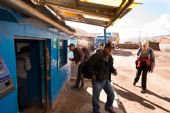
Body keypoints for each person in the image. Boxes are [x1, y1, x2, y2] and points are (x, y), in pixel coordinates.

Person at [88, 42, 117, 113]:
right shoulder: (97, 55)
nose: (110, 51)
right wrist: (92, 74)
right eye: (109, 49)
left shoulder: (110, 57)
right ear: (105, 48)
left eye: (111, 49)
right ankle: (96, 111)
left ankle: (108, 107)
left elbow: (110, 67)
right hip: (97, 80)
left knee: (111, 95)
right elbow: (89, 64)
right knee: (96, 98)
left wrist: (113, 70)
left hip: (106, 79)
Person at [16, 46, 32, 111]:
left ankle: (18, 106)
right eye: (29, 52)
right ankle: (22, 107)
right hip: (22, 77)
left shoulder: (16, 56)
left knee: (17, 93)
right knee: (23, 92)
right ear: (26, 52)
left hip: (15, 77)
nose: (29, 53)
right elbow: (29, 68)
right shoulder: (26, 58)